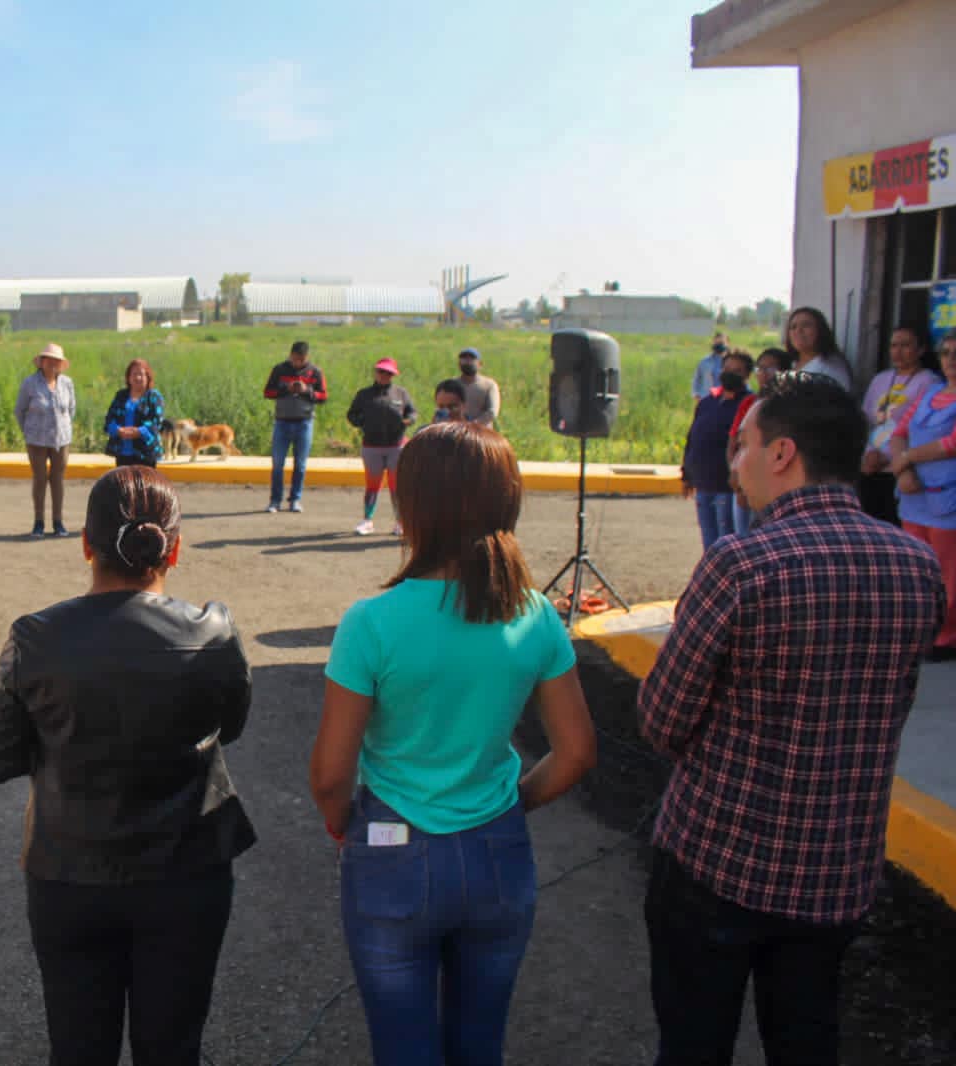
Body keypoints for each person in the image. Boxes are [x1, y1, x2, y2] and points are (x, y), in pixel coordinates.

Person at [639, 372, 944, 1066]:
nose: (732, 461)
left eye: (742, 444)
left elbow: (661, 721)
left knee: (693, 1043)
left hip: (717, 860)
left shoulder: (740, 563)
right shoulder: (915, 565)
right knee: (806, 1039)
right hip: (837, 870)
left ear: (781, 454)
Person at [310, 422, 595, 1066]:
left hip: (391, 850)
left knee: (403, 1046)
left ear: (412, 506)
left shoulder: (370, 623)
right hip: (498, 848)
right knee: (479, 1044)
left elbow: (331, 774)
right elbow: (576, 752)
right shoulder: (536, 615)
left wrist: (341, 825)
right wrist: (511, 806)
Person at [0, 465, 254, 1066]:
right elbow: (232, 725)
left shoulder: (36, 637)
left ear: (85, 544)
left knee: (77, 1048)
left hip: (68, 871)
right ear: (173, 550)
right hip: (188, 872)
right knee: (173, 1047)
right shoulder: (214, 633)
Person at [888, 331, 956, 661]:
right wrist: (902, 471)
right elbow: (898, 432)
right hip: (914, 496)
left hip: (948, 499)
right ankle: (918, 630)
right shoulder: (929, 392)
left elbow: (951, 443)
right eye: (946, 353)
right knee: (916, 567)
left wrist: (907, 459)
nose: (951, 360)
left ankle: (944, 637)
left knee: (948, 570)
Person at [860, 326, 941, 525]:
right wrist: (869, 453)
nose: (898, 351)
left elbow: (923, 430)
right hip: (871, 465)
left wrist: (888, 456)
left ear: (921, 349)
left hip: (902, 467)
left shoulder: (929, 382)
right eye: (894, 345)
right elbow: (866, 421)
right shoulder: (880, 379)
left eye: (905, 345)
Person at [682, 350, 753, 550]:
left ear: (747, 375)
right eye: (728, 369)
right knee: (709, 546)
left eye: (738, 371)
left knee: (727, 547)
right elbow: (692, 439)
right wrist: (687, 475)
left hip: (728, 489)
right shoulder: (707, 403)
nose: (731, 373)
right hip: (704, 485)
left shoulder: (748, 404)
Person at [346, 356, 416, 536]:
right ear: (375, 372)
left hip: (396, 446)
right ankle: (367, 521)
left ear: (393, 375)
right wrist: (363, 422)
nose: (384, 375)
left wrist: (406, 421)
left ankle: (400, 523)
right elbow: (351, 415)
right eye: (381, 371)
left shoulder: (401, 393)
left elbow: (412, 413)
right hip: (372, 446)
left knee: (397, 486)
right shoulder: (364, 394)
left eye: (388, 373)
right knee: (372, 485)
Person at [727, 348, 794, 535]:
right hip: (746, 484)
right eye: (760, 368)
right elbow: (734, 442)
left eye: (771, 369)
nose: (764, 374)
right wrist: (737, 473)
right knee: (743, 537)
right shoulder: (749, 403)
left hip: (776, 488)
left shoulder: (791, 406)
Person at [16, 342, 77, 537]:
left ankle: (58, 521)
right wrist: (28, 430)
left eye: (56, 361)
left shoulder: (67, 383)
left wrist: (64, 426)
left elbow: (72, 409)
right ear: (41, 362)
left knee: (58, 479)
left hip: (61, 439)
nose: (52, 364)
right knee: (40, 479)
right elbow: (20, 410)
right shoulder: (30, 383)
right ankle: (39, 521)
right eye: (48, 360)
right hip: (36, 439)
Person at [263, 340, 327, 512]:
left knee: (300, 464)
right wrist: (286, 389)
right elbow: (267, 392)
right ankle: (275, 500)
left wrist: (306, 391)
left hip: (304, 422)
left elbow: (323, 397)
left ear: (307, 357)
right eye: (295, 358)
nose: (297, 362)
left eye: (301, 359)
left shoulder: (315, 372)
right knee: (277, 464)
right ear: (290, 355)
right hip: (282, 422)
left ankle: (295, 500)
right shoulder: (279, 370)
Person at [102, 358, 164, 469]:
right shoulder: (121, 395)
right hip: (123, 453)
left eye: (141, 374)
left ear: (147, 377)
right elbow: (109, 419)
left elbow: (157, 422)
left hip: (145, 453)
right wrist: (117, 430)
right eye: (134, 374)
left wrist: (139, 431)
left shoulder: (154, 396)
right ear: (128, 377)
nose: (138, 377)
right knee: (124, 486)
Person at [785, 306, 853, 389]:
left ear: (820, 330)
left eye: (806, 325)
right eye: (793, 327)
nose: (798, 330)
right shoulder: (792, 364)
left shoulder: (831, 367)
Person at [455, 347, 501, 427]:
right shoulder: (452, 384)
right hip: (455, 431)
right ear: (459, 364)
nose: (467, 362)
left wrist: (472, 425)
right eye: (464, 359)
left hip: (481, 434)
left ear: (480, 364)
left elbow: (492, 412)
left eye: (471, 359)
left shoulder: (489, 385)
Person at [692, 332, 731, 400]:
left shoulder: (733, 363)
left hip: (727, 399)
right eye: (716, 343)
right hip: (706, 398)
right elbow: (697, 379)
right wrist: (696, 394)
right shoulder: (704, 362)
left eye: (721, 343)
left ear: (727, 344)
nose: (718, 345)